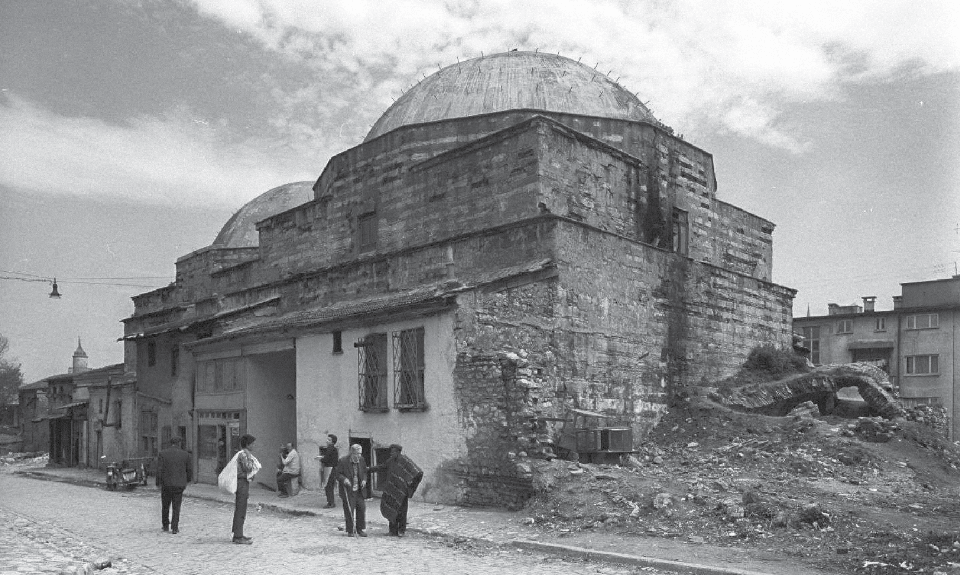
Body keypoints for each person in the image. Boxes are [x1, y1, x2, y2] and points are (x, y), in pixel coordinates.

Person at [369, 444, 423, 537]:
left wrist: (410, 486)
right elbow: (381, 467)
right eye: (391, 452)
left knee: (402, 511)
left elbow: (418, 472)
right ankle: (392, 531)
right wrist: (369, 469)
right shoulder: (390, 460)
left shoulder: (405, 461)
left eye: (393, 452)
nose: (391, 453)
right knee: (391, 509)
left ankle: (401, 530)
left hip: (402, 491)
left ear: (398, 452)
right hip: (391, 490)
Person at [156, 436, 193, 535]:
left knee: (165, 505)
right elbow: (189, 470)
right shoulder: (185, 455)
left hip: (166, 484)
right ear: (179, 443)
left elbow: (159, 470)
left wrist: (158, 483)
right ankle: (175, 527)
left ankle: (165, 525)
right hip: (179, 484)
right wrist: (187, 480)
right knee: (177, 506)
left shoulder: (163, 454)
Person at [233, 434, 261, 545]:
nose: (254, 445)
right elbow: (248, 468)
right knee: (241, 508)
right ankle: (238, 536)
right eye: (252, 444)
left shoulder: (242, 454)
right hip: (242, 482)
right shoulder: (244, 455)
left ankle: (238, 533)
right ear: (247, 444)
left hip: (243, 482)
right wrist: (251, 458)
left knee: (240, 507)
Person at [335, 443, 368, 537]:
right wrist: (344, 479)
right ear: (351, 453)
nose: (359, 456)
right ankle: (350, 530)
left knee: (361, 508)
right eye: (357, 454)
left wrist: (364, 480)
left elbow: (365, 471)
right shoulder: (343, 461)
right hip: (348, 490)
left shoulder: (361, 460)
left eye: (360, 453)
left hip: (359, 490)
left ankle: (360, 529)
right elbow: (338, 474)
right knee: (349, 510)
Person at [316, 434, 339, 508]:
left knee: (328, 487)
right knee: (329, 486)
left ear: (332, 442)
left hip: (330, 469)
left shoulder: (330, 448)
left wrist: (320, 459)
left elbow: (326, 459)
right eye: (327, 439)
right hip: (331, 468)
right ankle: (330, 502)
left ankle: (330, 503)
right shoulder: (333, 449)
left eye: (329, 440)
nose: (327, 441)